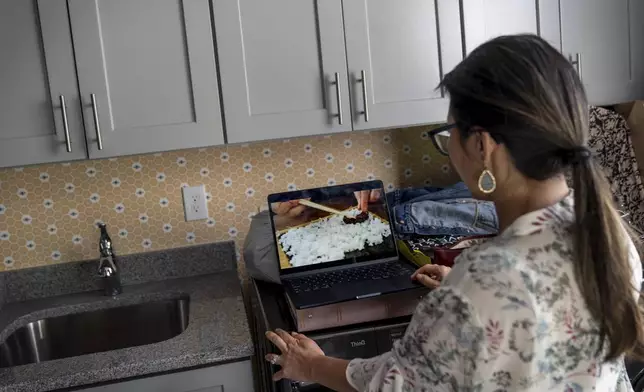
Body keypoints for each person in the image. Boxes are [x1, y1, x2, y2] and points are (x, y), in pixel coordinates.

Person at [264, 34, 644, 391]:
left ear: (481, 144)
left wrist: (312, 365)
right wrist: (461, 295)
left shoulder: (485, 280)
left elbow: (394, 383)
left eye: (449, 133)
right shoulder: (606, 231)